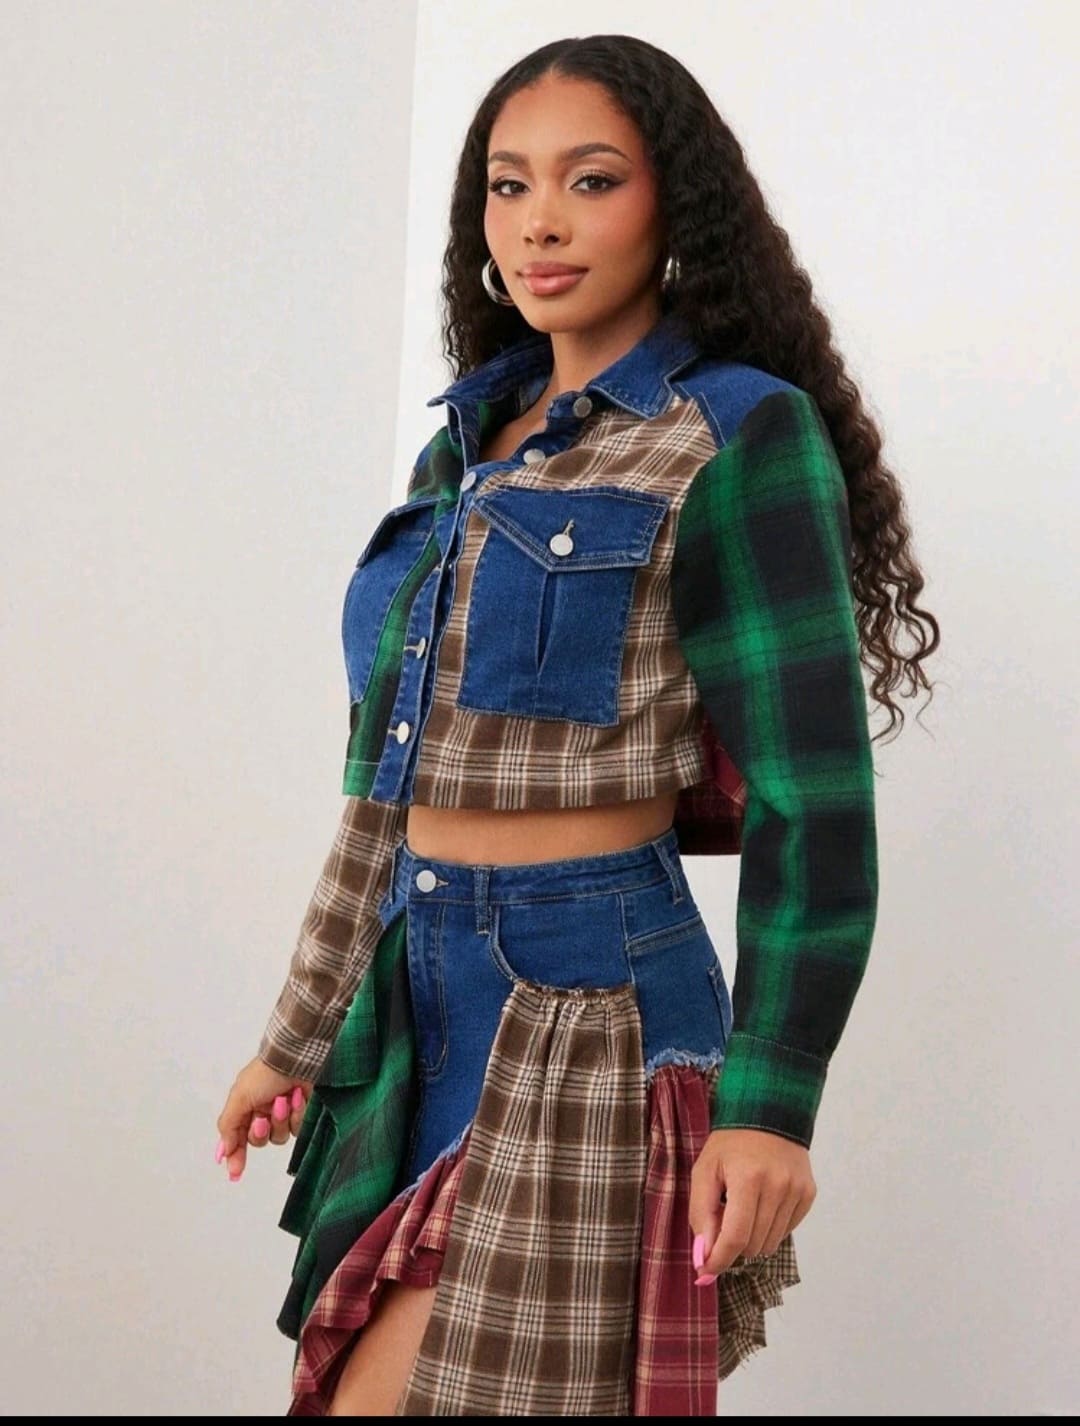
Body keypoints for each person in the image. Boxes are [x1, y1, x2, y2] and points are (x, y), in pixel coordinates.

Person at [215, 34, 939, 1418]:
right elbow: (383, 786)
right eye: (509, 185)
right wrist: (298, 1033)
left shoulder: (736, 434)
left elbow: (815, 803)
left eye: (590, 180)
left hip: (592, 1004)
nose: (540, 221)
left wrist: (772, 1100)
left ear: (675, 205)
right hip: (415, 992)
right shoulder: (461, 448)